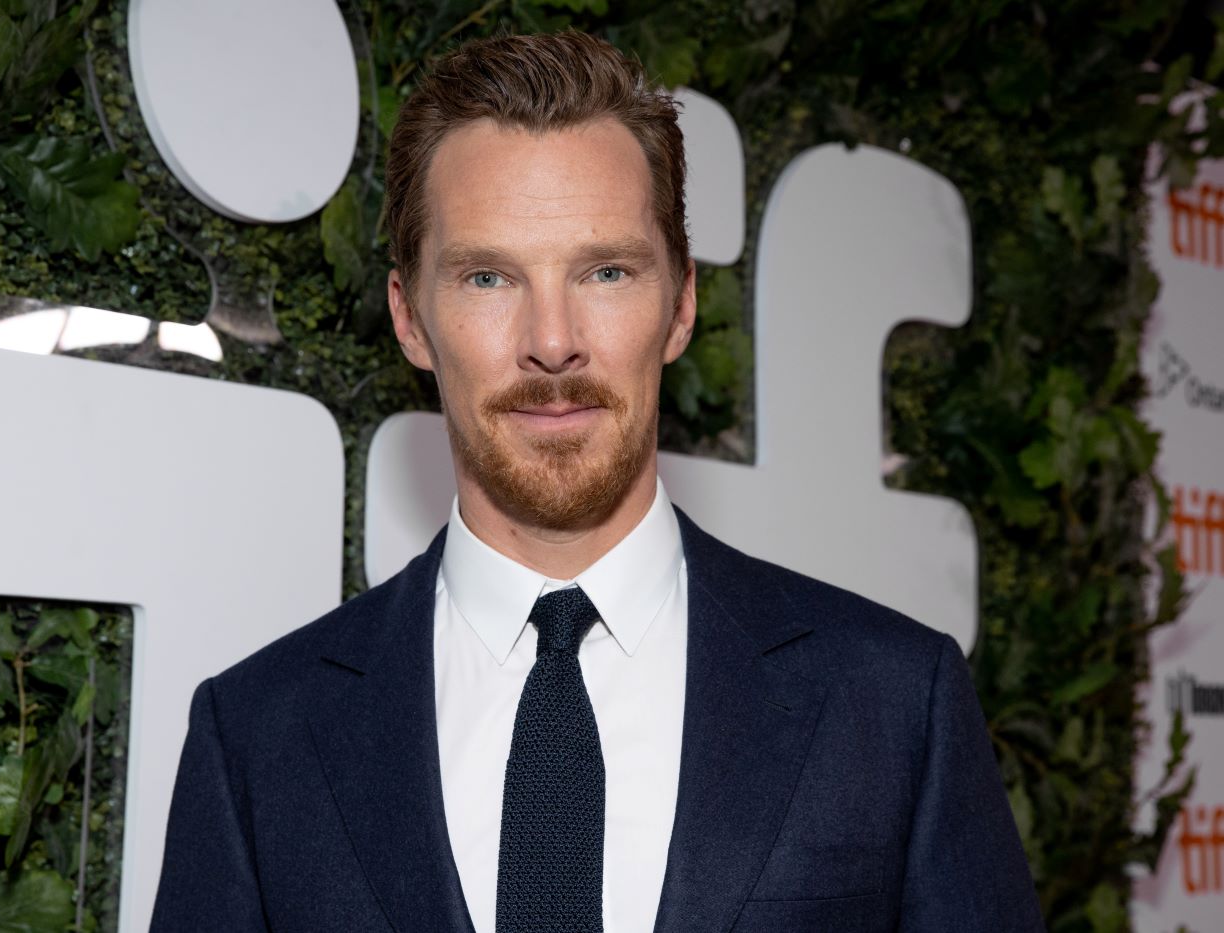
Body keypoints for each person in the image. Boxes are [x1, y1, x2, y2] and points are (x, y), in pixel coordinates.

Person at [151, 30, 1043, 933]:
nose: (552, 340)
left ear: (681, 305)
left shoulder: (893, 703)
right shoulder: (257, 735)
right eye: (488, 277)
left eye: (606, 271)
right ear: (410, 319)